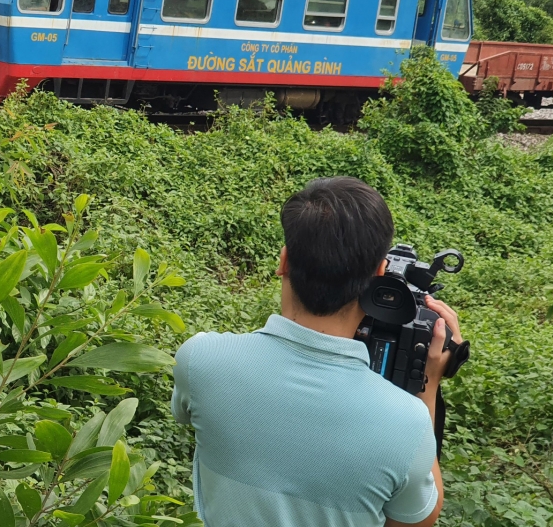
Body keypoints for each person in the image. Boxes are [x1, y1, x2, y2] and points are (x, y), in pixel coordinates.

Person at [171, 176, 463, 527]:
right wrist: (426, 387)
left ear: (283, 261)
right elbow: (418, 518)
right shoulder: (408, 422)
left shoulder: (200, 360)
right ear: (380, 275)